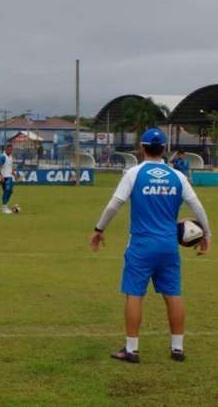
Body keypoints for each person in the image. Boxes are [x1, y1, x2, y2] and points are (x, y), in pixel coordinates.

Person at [90, 128, 211, 363]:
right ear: (164, 149)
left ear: (142, 148)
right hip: (168, 247)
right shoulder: (177, 176)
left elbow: (114, 205)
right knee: (173, 294)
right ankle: (177, 348)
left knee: (135, 294)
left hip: (141, 246)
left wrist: (98, 229)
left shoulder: (134, 173)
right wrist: (207, 234)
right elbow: (197, 206)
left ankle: (132, 349)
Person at [0, 144, 17, 214]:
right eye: (9, 149)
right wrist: (1, 176)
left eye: (11, 149)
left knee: (10, 191)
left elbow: (10, 168)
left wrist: (14, 174)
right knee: (7, 191)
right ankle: (4, 208)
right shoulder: (3, 156)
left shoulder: (11, 157)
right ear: (5, 149)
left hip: (10, 176)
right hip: (5, 177)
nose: (10, 151)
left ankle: (3, 207)